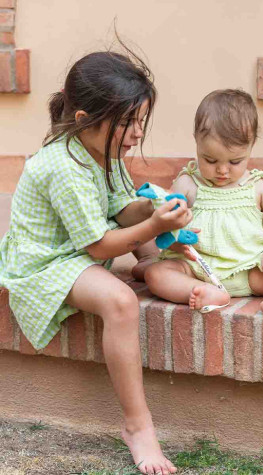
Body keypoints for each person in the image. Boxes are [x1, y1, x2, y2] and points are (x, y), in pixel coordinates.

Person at [0, 48, 186, 475]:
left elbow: (121, 211)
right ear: (84, 119)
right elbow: (101, 246)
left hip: (80, 250)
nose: (137, 133)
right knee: (120, 302)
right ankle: (137, 426)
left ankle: (149, 263)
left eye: (141, 120)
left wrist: (155, 208)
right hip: (44, 263)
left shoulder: (104, 152)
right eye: (127, 122)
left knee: (147, 225)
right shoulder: (62, 166)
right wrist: (152, 224)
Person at [145, 89, 263, 320]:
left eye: (235, 161)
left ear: (252, 146)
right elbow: (168, 221)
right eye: (210, 160)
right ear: (196, 140)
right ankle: (202, 292)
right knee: (156, 274)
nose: (222, 170)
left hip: (249, 269)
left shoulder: (257, 185)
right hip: (196, 268)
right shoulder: (188, 182)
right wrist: (175, 240)